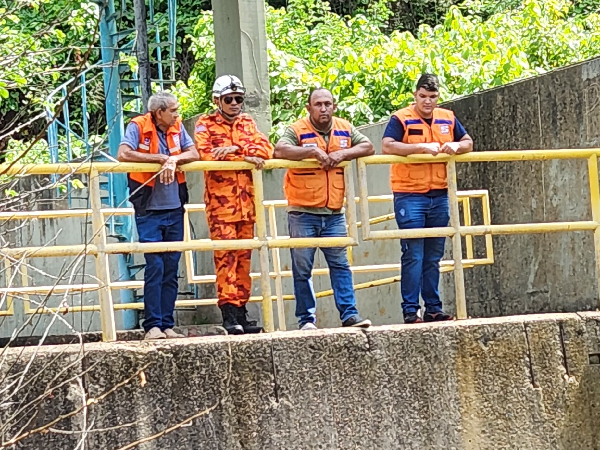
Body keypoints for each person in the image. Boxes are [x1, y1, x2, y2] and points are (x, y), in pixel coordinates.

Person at [274, 87, 373, 330]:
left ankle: (350, 315)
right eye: (318, 104)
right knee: (302, 269)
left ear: (334, 106)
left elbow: (368, 146)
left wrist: (343, 153)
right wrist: (311, 151)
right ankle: (306, 320)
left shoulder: (344, 127)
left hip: (334, 213)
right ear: (308, 108)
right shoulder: (296, 129)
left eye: (327, 104)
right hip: (302, 212)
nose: (323, 108)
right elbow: (279, 150)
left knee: (341, 265)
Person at [381, 74, 474, 324]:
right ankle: (411, 310)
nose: (427, 102)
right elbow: (387, 146)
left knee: (434, 255)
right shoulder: (401, 118)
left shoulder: (448, 117)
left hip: (439, 194)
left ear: (438, 97)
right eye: (423, 96)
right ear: (415, 95)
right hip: (410, 194)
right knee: (413, 254)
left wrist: (457, 147)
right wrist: (420, 148)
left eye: (432, 97)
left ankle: (433, 307)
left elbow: (468, 142)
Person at [194, 75, 273, 335]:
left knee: (244, 260)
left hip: (247, 204)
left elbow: (266, 149)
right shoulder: (205, 123)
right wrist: (245, 154)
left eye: (239, 99)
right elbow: (205, 153)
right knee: (225, 260)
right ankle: (229, 314)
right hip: (221, 206)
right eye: (229, 99)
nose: (235, 103)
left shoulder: (247, 122)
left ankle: (242, 312)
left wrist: (234, 148)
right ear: (217, 100)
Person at [117, 91, 199, 340]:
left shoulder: (177, 128)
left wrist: (173, 160)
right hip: (149, 210)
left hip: (174, 209)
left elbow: (194, 153)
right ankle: (152, 325)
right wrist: (160, 158)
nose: (177, 114)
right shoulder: (138, 126)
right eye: (173, 110)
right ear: (158, 112)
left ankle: (167, 324)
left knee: (171, 269)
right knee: (155, 266)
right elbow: (124, 153)